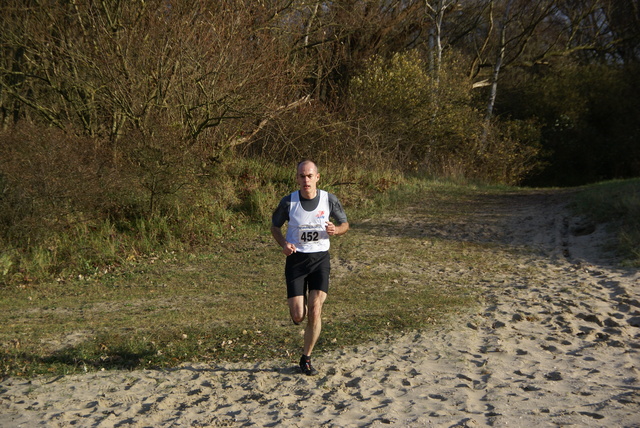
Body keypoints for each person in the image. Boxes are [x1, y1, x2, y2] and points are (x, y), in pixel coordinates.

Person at [271, 160, 349, 376]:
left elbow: (345, 224)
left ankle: (306, 358)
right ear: (297, 178)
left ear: (317, 177)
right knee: (298, 315)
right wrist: (284, 244)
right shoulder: (289, 202)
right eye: (302, 176)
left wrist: (336, 229)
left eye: (309, 176)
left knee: (316, 309)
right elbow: (275, 226)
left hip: (320, 260)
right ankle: (300, 309)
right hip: (296, 260)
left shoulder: (329, 200)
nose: (306, 180)